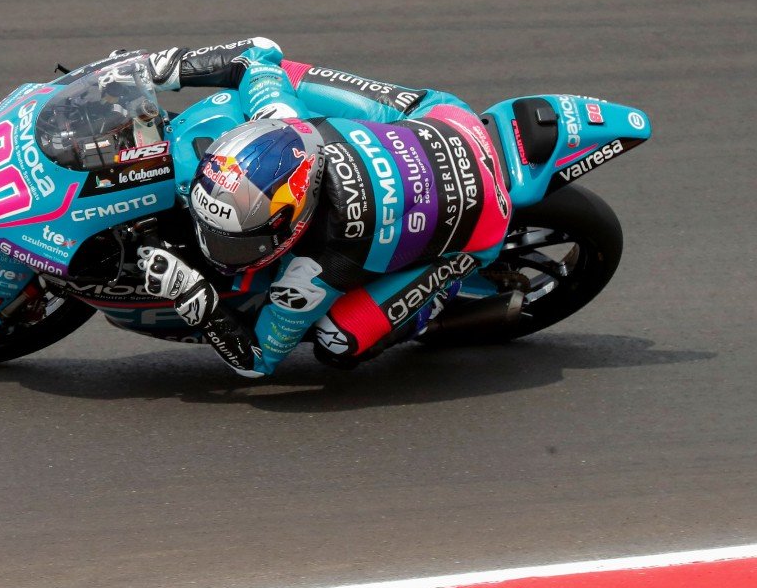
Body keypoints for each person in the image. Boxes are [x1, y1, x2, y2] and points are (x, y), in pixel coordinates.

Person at [135, 38, 513, 378]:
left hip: (483, 220)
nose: (214, 247)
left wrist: (195, 298)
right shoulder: (283, 120)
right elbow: (256, 53)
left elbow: (258, 361)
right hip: (445, 117)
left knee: (338, 342)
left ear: (292, 229)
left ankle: (433, 308)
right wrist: (153, 70)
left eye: (238, 243)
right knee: (282, 73)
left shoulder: (313, 272)